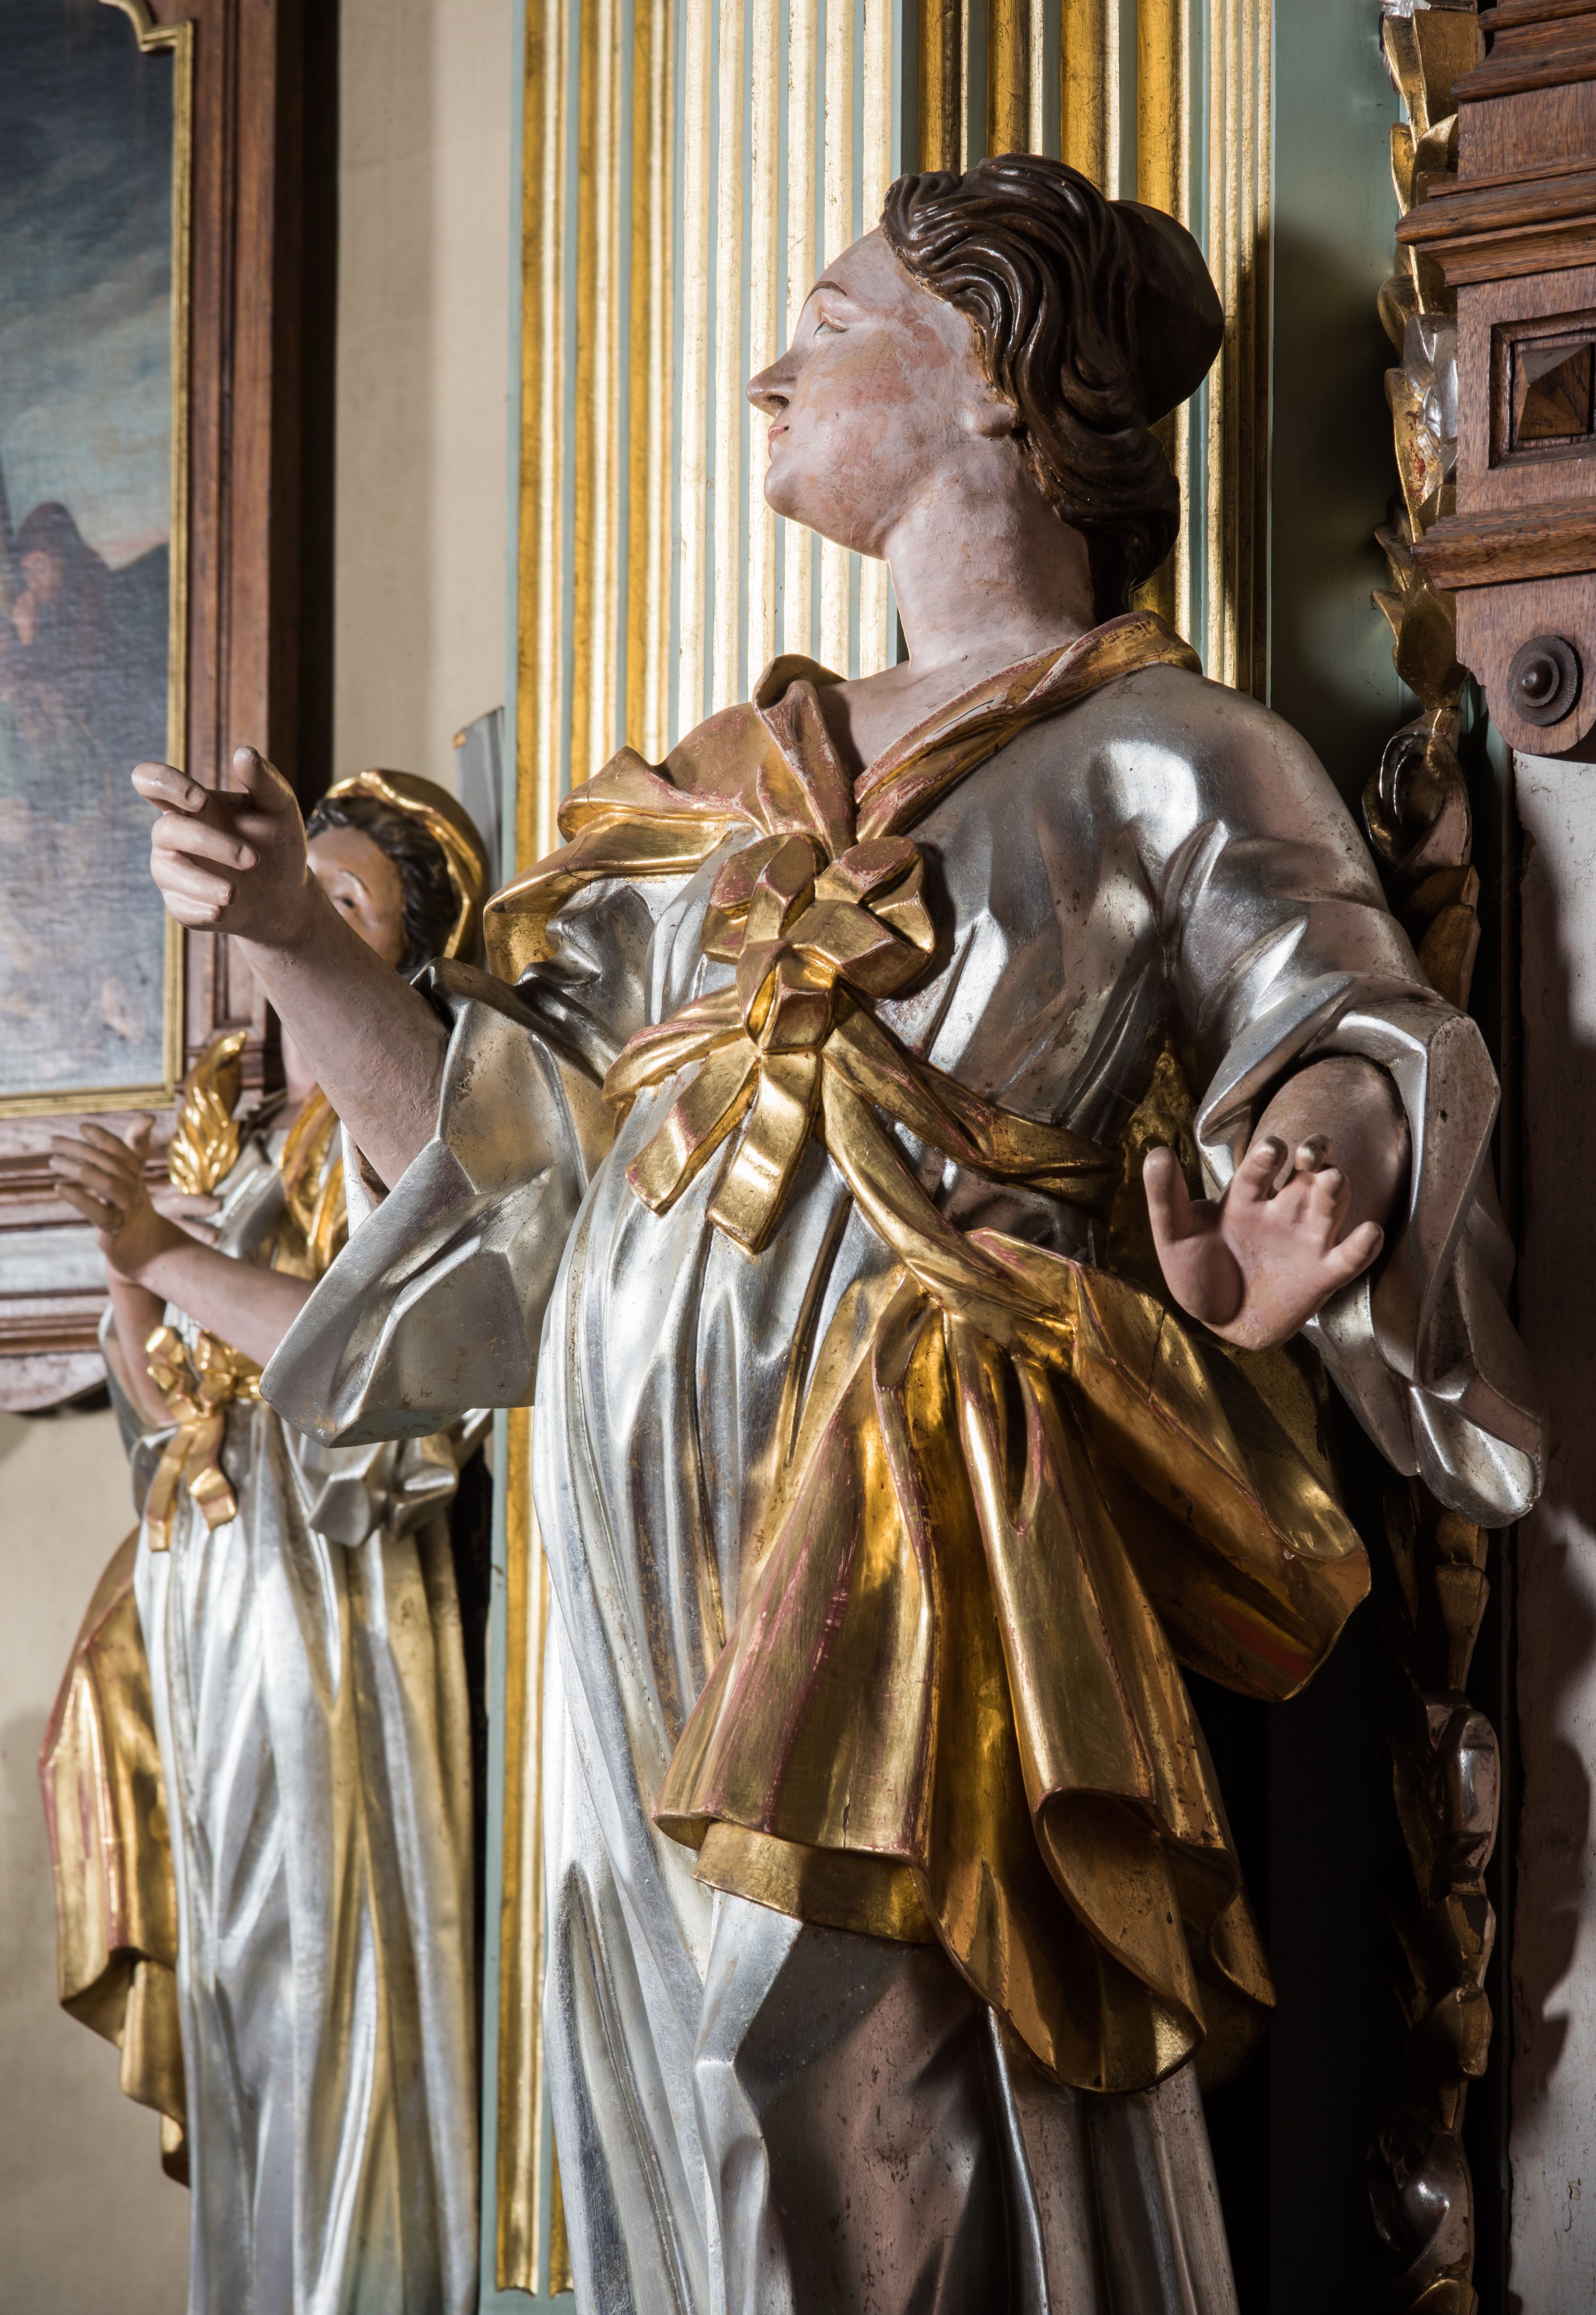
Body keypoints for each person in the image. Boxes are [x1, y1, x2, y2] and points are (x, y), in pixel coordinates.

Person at [132, 158, 1543, 2314]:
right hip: (628, 1555)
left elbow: (1344, 1017)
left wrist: (1313, 1160)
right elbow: (495, 1166)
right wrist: (292, 943)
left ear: (994, 380)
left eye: (830, 317)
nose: (769, 373)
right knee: (660, 2099)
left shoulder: (1171, 753)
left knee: (854, 2087)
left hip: (924, 1516)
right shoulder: (713, 798)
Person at [46, 770, 490, 2315]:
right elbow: (168, 1409)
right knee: (242, 1974)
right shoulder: (239, 1153)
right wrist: (132, 1269)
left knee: (330, 1973)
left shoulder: (393, 1146)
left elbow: (380, 1360)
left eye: (345, 905)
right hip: (218, 1608)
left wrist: (159, 1255)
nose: (299, 930)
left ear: (408, 958)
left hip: (334, 1612)